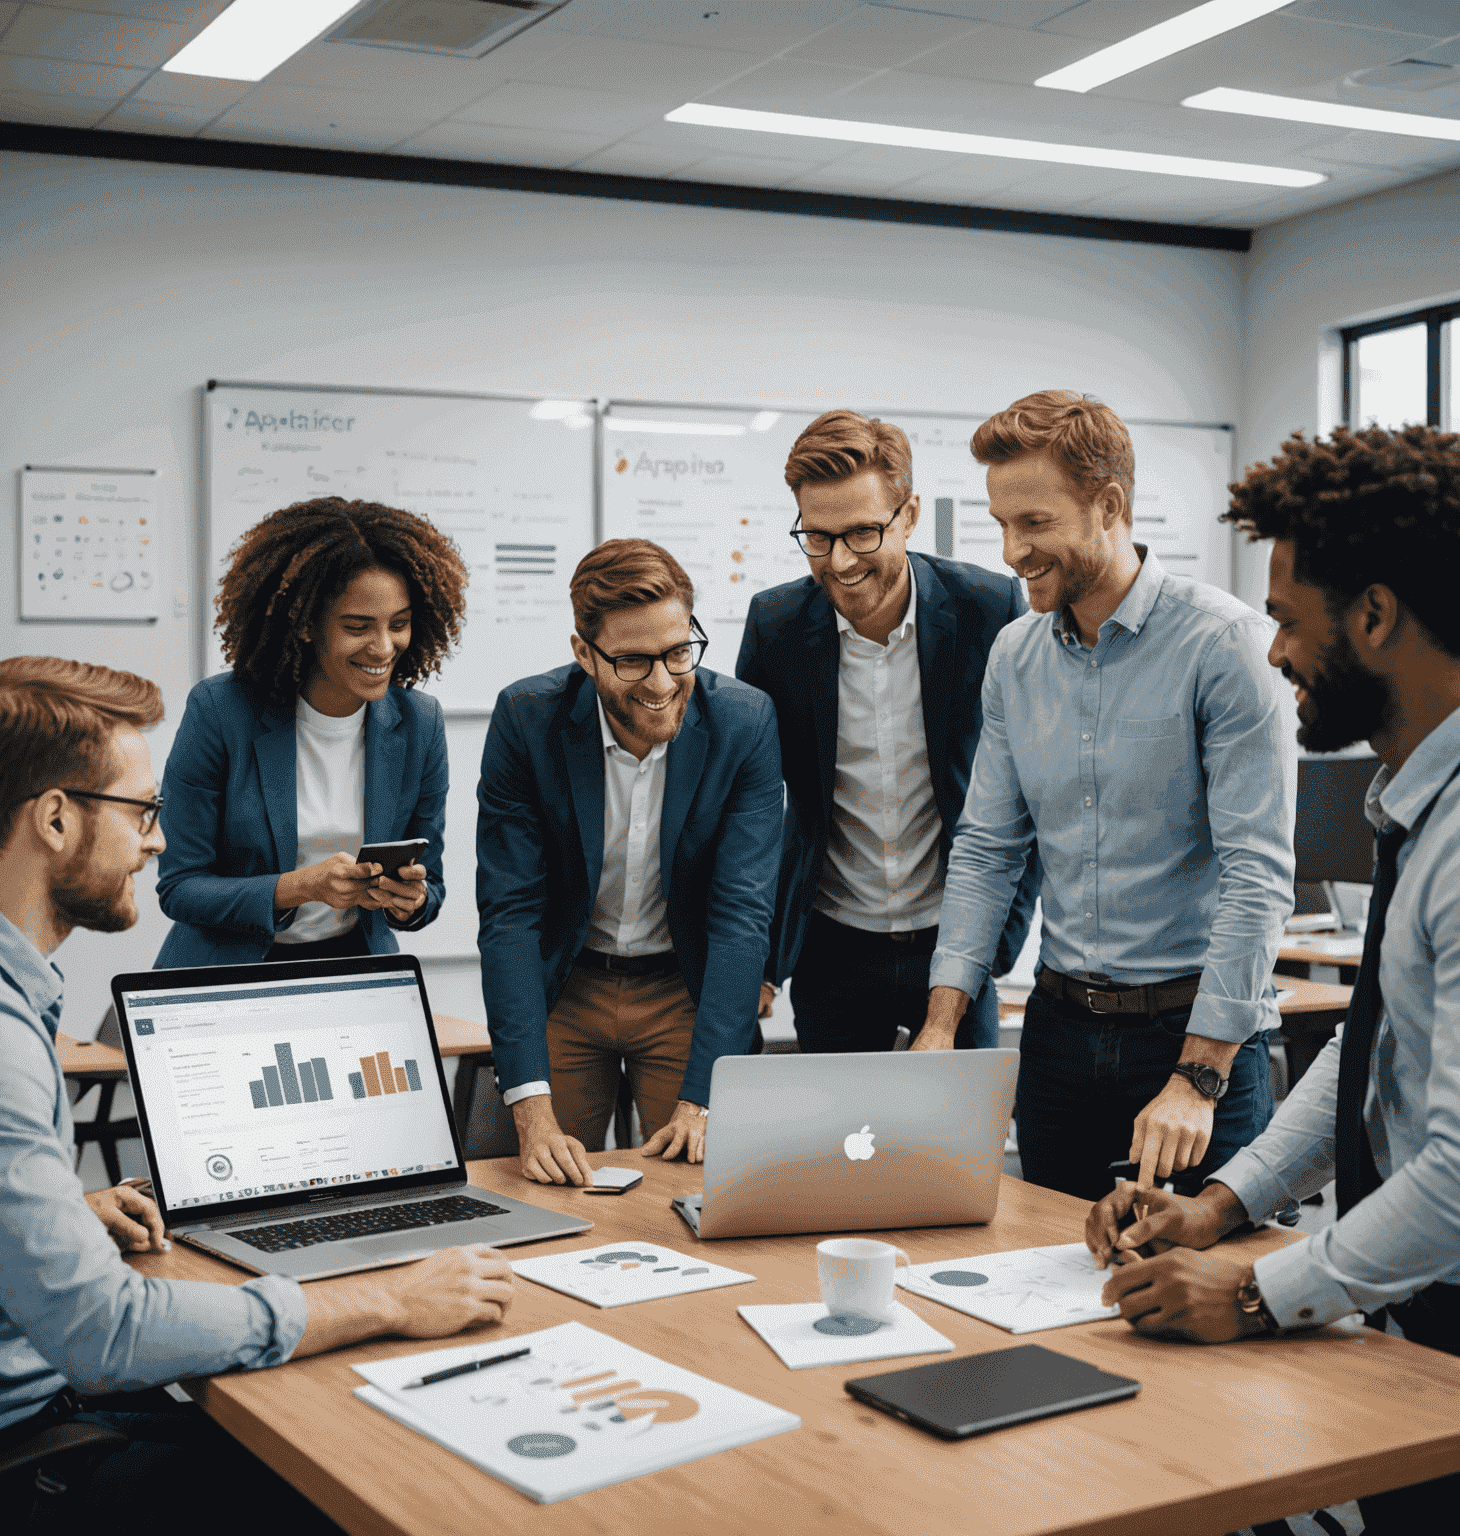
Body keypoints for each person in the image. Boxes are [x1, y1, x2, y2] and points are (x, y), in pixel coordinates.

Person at [0, 657, 514, 1533]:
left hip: (28, 1397)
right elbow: (107, 1330)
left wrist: (63, 1210)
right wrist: (387, 1299)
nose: (158, 842)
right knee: (367, 1479)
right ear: (54, 818)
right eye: (143, 812)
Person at [1086, 422, 1460, 1532]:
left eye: (1292, 621)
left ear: (1376, 617)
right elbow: (1373, 1039)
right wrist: (1222, 1206)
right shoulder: (1418, 801)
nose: (1278, 653)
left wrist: (1257, 1289)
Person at [921, 390, 1296, 1200]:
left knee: (1201, 1293)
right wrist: (940, 1026)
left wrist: (1198, 1077)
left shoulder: (1225, 648)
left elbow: (1255, 877)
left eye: (1034, 523)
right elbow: (988, 849)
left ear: (1109, 506)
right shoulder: (1014, 656)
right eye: (1002, 524)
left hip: (1193, 1039)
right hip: (1058, 1039)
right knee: (1042, 1277)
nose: (1013, 550)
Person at [477, 539, 783, 1185]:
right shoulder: (526, 720)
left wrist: (703, 1099)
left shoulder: (744, 723)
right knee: (547, 1183)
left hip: (682, 985)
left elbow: (741, 916)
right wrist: (530, 1110)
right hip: (570, 983)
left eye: (678, 652)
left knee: (702, 1182)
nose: (664, 681)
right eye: (635, 661)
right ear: (584, 653)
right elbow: (510, 915)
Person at [735, 410, 1037, 1053]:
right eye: (816, 537)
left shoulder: (990, 610)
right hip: (831, 943)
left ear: (909, 515)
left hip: (955, 943)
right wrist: (754, 956)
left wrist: (1001, 937)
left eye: (862, 533)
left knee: (955, 1146)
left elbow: (1034, 788)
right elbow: (748, 804)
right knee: (842, 1148)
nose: (839, 561)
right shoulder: (776, 626)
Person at [156, 497, 466, 967]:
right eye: (357, 627)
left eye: (399, 624)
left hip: (351, 970)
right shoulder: (221, 711)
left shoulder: (420, 724)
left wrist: (412, 902)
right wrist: (299, 887)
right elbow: (180, 888)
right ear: (304, 624)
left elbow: (432, 886)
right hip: (227, 976)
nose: (384, 647)